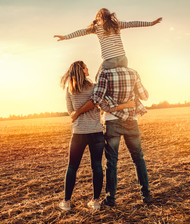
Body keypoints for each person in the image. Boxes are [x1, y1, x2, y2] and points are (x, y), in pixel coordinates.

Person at [71, 66, 153, 206]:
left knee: (112, 161)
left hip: (112, 121)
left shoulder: (104, 73)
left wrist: (77, 112)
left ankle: (110, 199)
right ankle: (146, 196)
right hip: (131, 120)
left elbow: (97, 98)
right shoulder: (132, 72)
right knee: (138, 158)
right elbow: (144, 96)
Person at [58, 61, 135, 211]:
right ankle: (96, 201)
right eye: (86, 67)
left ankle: (66, 202)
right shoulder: (95, 88)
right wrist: (126, 105)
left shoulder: (69, 90)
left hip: (78, 133)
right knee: (97, 166)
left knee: (72, 167)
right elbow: (106, 107)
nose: (88, 68)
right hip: (96, 133)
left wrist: (79, 112)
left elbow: (71, 113)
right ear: (81, 70)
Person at [54, 8, 162, 79]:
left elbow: (81, 32)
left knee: (98, 78)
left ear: (99, 18)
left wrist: (65, 37)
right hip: (123, 59)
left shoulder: (96, 28)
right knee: (123, 78)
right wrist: (151, 23)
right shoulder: (116, 25)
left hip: (110, 60)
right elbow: (133, 23)